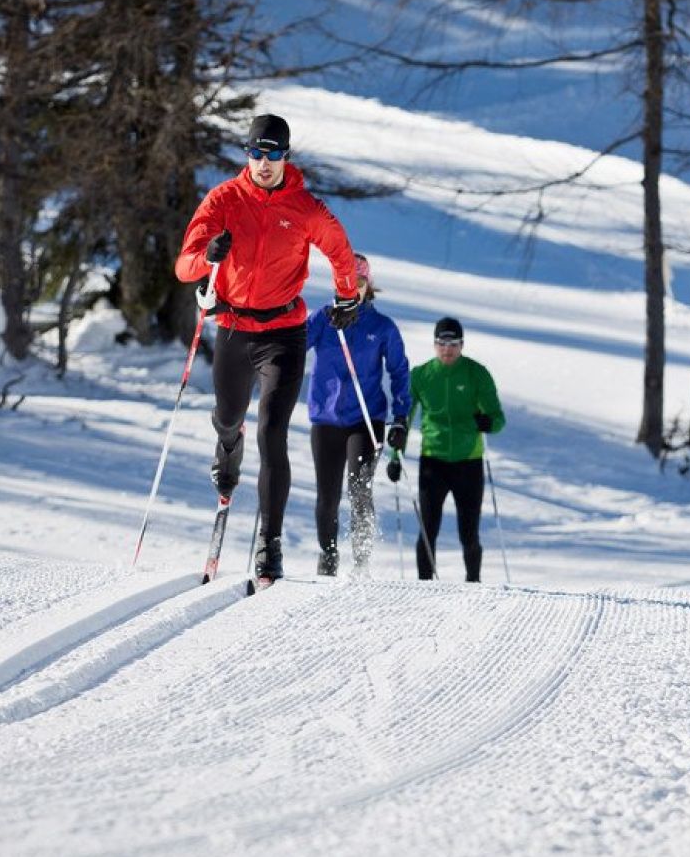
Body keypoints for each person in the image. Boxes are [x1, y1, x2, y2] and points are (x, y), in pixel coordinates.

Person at [176, 113, 362, 587]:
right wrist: (207, 257)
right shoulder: (224, 199)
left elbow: (339, 249)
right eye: (256, 153)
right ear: (247, 155)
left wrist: (347, 295)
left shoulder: (304, 206)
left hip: (283, 333)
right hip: (234, 330)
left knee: (272, 433)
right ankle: (227, 447)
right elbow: (184, 266)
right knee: (228, 418)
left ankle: (270, 543)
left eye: (273, 154)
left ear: (286, 157)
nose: (264, 163)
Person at [304, 255, 412, 577]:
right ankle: (328, 557)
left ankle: (361, 560)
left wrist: (401, 417)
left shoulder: (382, 327)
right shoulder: (322, 319)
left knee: (359, 486)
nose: (352, 287)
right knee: (327, 495)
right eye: (346, 281)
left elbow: (399, 371)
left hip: (366, 420)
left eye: (359, 282)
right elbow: (293, 349)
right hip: (326, 419)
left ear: (368, 285)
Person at [398, 316, 506, 582]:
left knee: (468, 533)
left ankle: (473, 582)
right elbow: (404, 418)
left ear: (462, 345)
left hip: (468, 461)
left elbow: (498, 418)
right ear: (435, 344)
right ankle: (425, 586)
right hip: (433, 461)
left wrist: (488, 422)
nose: (447, 350)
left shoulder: (476, 373)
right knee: (427, 531)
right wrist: (394, 456)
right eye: (442, 344)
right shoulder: (421, 375)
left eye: (453, 344)